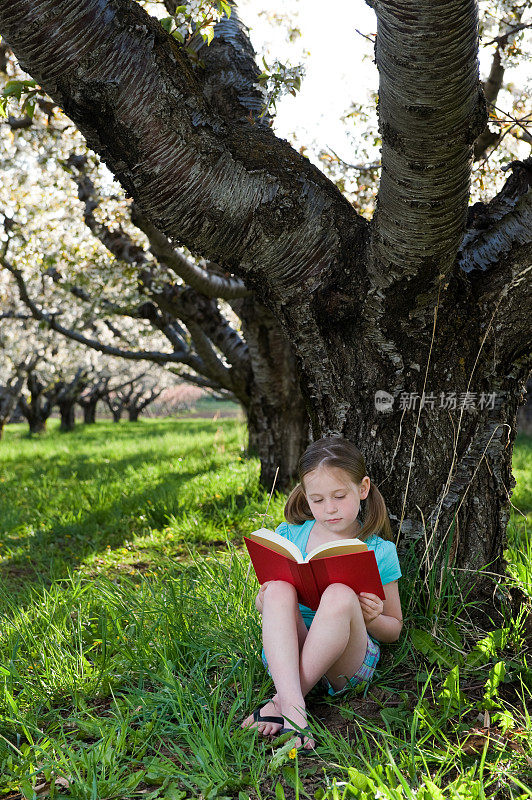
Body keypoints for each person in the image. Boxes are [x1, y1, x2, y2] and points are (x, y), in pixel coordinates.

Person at [241, 436, 403, 751]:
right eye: (317, 500)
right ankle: (294, 706)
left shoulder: (379, 551)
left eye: (339, 496)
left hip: (346, 661)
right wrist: (264, 601)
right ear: (305, 496)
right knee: (276, 589)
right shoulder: (289, 534)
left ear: (363, 489)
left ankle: (284, 703)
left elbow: (394, 629)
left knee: (340, 594)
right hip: (287, 653)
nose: (329, 509)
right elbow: (266, 602)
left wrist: (371, 618)